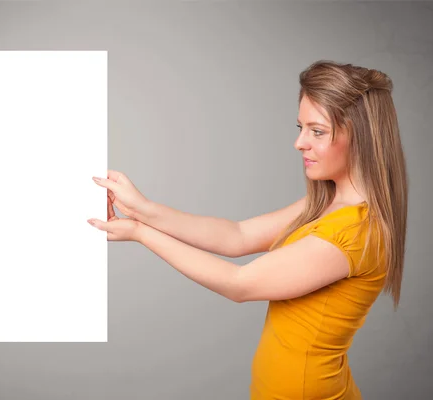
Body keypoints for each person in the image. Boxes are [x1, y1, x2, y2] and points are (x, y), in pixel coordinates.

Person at [87, 60, 408, 400]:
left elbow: (238, 284)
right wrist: (144, 209)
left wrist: (140, 231)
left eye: (317, 131)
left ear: (362, 136)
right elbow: (236, 236)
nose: (299, 143)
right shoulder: (325, 207)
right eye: (300, 127)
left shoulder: (355, 230)